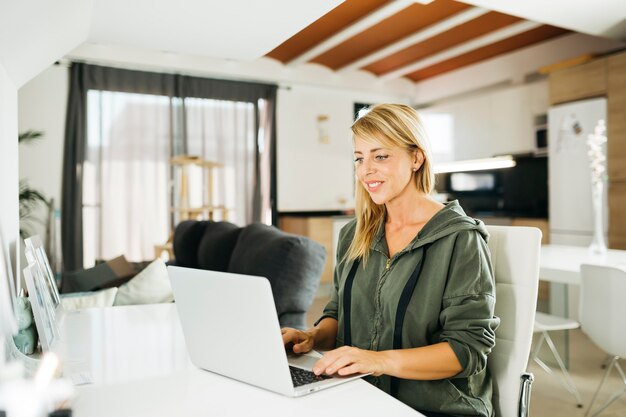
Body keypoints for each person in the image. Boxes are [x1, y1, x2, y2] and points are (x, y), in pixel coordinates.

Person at [281, 104, 500, 417]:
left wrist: (379, 360)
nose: (365, 169)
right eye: (359, 158)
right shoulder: (354, 235)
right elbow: (338, 313)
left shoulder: (460, 239)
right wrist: (312, 337)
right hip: (359, 394)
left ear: (416, 158)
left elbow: (468, 351)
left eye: (380, 156)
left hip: (435, 406)